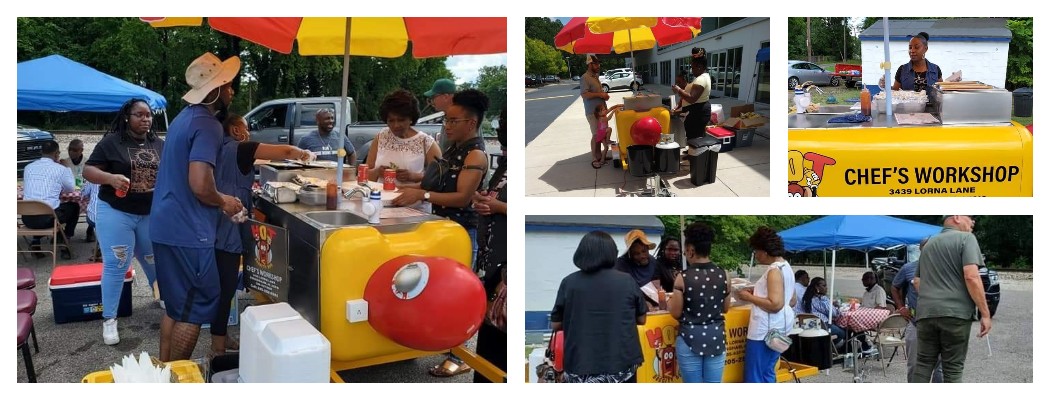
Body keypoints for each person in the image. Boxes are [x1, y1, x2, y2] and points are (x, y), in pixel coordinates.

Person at [150, 52, 246, 362]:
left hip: (165, 225)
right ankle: (180, 377)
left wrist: (215, 199)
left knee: (176, 305)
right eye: (227, 85)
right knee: (194, 309)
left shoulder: (182, 118)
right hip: (189, 232)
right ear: (215, 90)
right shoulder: (208, 125)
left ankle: (164, 372)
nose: (231, 90)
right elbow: (200, 183)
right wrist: (225, 202)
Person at [397, 89, 489, 377]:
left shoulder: (475, 153)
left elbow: (462, 196)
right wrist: (413, 180)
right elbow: (438, 179)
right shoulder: (453, 147)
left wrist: (420, 193)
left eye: (452, 120)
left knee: (455, 298)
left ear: (470, 123)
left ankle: (458, 355)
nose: (447, 126)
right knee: (435, 292)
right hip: (441, 230)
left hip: (462, 233)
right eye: (446, 120)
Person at [211, 114, 313, 356]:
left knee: (222, 284)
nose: (248, 134)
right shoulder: (241, 147)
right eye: (245, 129)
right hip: (230, 223)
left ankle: (221, 336)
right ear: (236, 130)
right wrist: (304, 154)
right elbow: (286, 151)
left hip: (214, 220)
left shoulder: (216, 148)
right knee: (225, 287)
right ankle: (217, 347)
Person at [83, 98, 164, 345]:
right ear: (127, 117)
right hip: (116, 212)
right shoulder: (111, 143)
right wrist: (109, 178)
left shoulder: (158, 144)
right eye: (139, 115)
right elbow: (87, 171)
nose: (145, 119)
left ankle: (162, 297)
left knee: (153, 259)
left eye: (148, 115)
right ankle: (109, 320)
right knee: (117, 264)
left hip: (148, 213)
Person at [551, 231, 647, 383]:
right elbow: (641, 319)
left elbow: (556, 324)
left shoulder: (568, 282)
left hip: (580, 364)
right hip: (620, 363)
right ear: (611, 254)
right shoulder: (627, 281)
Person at [909, 215, 990, 383]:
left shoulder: (929, 243)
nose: (973, 222)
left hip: (926, 314)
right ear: (957, 217)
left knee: (923, 364)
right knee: (952, 369)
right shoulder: (966, 238)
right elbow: (972, 277)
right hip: (955, 314)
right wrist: (985, 314)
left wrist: (933, 300)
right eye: (971, 217)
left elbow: (917, 281)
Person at [667, 222, 730, 383]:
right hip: (716, 338)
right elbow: (725, 308)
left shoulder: (683, 277)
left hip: (689, 339)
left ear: (691, 250)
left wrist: (669, 301)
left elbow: (675, 312)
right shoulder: (724, 275)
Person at [472, 108, 507, 383]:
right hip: (490, 262)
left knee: (500, 347)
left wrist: (497, 205)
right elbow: (494, 198)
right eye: (501, 122)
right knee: (488, 344)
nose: (501, 128)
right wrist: (482, 200)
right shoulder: (506, 164)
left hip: (505, 267)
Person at [365, 89, 441, 212]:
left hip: (414, 209)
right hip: (381, 206)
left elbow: (439, 181)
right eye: (391, 120)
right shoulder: (381, 137)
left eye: (401, 120)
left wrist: (414, 176)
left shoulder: (426, 142)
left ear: (411, 118)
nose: (395, 125)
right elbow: (364, 175)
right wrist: (378, 172)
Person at [736, 226, 795, 383]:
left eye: (756, 251)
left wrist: (748, 297)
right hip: (780, 329)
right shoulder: (786, 267)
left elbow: (775, 303)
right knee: (767, 372)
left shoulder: (773, 270)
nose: (755, 255)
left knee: (754, 375)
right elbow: (792, 299)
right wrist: (757, 291)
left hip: (764, 332)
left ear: (765, 251)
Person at [892, 237, 944, 383]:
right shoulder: (908, 269)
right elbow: (895, 287)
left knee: (939, 367)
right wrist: (901, 307)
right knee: (915, 366)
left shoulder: (946, 270)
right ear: (921, 250)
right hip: (916, 325)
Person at [21, 140, 78, 259]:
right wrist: (67, 168)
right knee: (74, 206)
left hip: (26, 218)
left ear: (42, 152)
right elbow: (70, 189)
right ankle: (64, 239)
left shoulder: (28, 168)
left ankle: (36, 241)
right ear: (57, 154)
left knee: (43, 211)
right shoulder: (60, 169)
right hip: (48, 219)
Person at [673, 51, 713, 157]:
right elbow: (688, 97)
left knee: (696, 136)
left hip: (698, 112)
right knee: (692, 135)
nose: (692, 70)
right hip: (695, 111)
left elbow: (691, 98)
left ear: (700, 66)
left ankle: (696, 157)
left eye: (693, 67)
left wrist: (678, 90)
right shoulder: (700, 78)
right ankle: (693, 152)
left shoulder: (702, 79)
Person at [882, 32, 951, 92]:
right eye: (910, 47)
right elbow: (895, 92)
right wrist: (886, 86)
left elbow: (941, 92)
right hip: (908, 107)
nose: (912, 51)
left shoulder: (935, 69)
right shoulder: (902, 69)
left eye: (916, 47)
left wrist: (953, 82)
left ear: (925, 49)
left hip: (931, 107)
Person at [796, 277, 847, 350]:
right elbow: (833, 313)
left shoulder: (806, 298)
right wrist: (832, 304)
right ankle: (834, 348)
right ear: (817, 287)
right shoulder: (821, 299)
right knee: (843, 332)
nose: (826, 288)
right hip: (823, 326)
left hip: (809, 326)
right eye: (824, 286)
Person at [580, 54, 611, 169]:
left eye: (599, 63)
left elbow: (596, 94)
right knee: (595, 135)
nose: (599, 66)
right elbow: (584, 94)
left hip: (600, 113)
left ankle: (599, 155)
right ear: (589, 64)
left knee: (601, 134)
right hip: (592, 113)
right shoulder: (585, 77)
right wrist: (601, 94)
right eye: (596, 63)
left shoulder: (595, 76)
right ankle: (594, 158)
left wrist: (604, 97)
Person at [425, 78, 457, 150]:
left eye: (433, 97)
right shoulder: (448, 117)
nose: (432, 101)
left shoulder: (458, 119)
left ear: (445, 97)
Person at [591, 101, 623, 168]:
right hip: (602, 133)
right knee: (609, 129)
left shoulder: (602, 115)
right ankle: (608, 140)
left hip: (603, 133)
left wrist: (617, 106)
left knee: (606, 148)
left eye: (605, 109)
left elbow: (610, 108)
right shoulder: (602, 118)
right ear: (599, 113)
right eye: (603, 110)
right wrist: (613, 111)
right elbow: (608, 118)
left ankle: (602, 160)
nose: (605, 110)